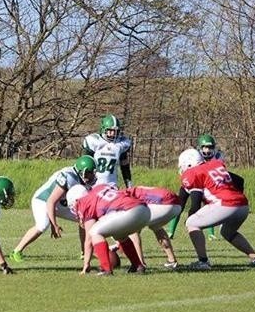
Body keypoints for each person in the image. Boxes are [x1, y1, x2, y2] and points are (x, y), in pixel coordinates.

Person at [177, 148, 255, 269]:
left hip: (225, 204)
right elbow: (239, 180)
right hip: (243, 205)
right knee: (227, 232)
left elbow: (195, 204)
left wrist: (189, 221)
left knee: (192, 223)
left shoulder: (193, 173)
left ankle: (203, 262)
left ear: (189, 163)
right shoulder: (215, 164)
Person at [8, 156, 97, 262]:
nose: (92, 175)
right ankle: (16, 251)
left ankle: (84, 252)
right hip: (43, 200)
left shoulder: (79, 178)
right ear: (83, 171)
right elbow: (51, 201)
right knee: (42, 225)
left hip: (58, 203)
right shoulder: (69, 177)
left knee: (84, 217)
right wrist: (54, 224)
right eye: (90, 173)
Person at [82, 114, 143, 263]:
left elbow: (125, 167)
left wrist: (129, 185)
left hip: (111, 188)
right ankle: (87, 252)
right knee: (89, 223)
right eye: (109, 131)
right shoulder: (93, 142)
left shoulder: (121, 145)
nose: (112, 134)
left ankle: (138, 259)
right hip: (94, 188)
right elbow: (84, 163)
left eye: (115, 131)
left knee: (119, 224)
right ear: (103, 129)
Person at [167, 134, 243, 240]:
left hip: (207, 184)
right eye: (205, 147)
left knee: (209, 205)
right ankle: (171, 231)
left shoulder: (218, 157)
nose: (207, 150)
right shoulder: (195, 156)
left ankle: (210, 233)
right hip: (193, 182)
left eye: (210, 147)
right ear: (200, 148)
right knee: (180, 204)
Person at [67, 183, 150, 275]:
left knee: (94, 232)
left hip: (128, 210)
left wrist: (86, 264)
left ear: (76, 199)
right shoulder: (100, 187)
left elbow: (89, 238)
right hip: (145, 210)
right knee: (120, 235)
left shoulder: (83, 201)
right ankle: (138, 265)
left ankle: (106, 269)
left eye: (73, 206)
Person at [124, 186, 181, 269]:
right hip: (177, 204)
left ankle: (139, 264)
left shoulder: (125, 196)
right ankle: (172, 261)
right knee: (155, 226)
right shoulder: (132, 190)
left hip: (164, 203)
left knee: (132, 228)